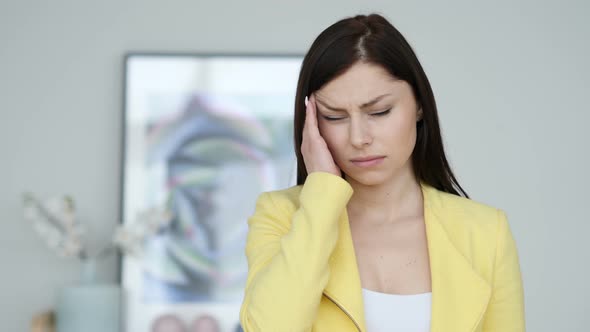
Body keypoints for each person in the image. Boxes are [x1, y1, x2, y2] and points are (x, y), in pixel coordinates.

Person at [239, 13, 525, 332]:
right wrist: (320, 197)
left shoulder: (486, 232)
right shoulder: (281, 216)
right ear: (311, 124)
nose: (359, 138)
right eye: (334, 117)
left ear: (418, 104)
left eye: (379, 111)